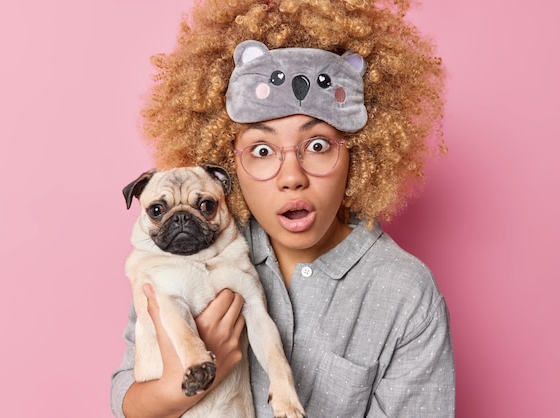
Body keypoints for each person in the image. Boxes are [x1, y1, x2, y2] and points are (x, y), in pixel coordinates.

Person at [111, 0, 455, 417]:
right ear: (227, 164)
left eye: (317, 145)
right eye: (261, 149)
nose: (292, 175)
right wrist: (176, 388)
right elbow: (125, 398)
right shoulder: (187, 252)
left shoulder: (405, 294)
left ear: (361, 156)